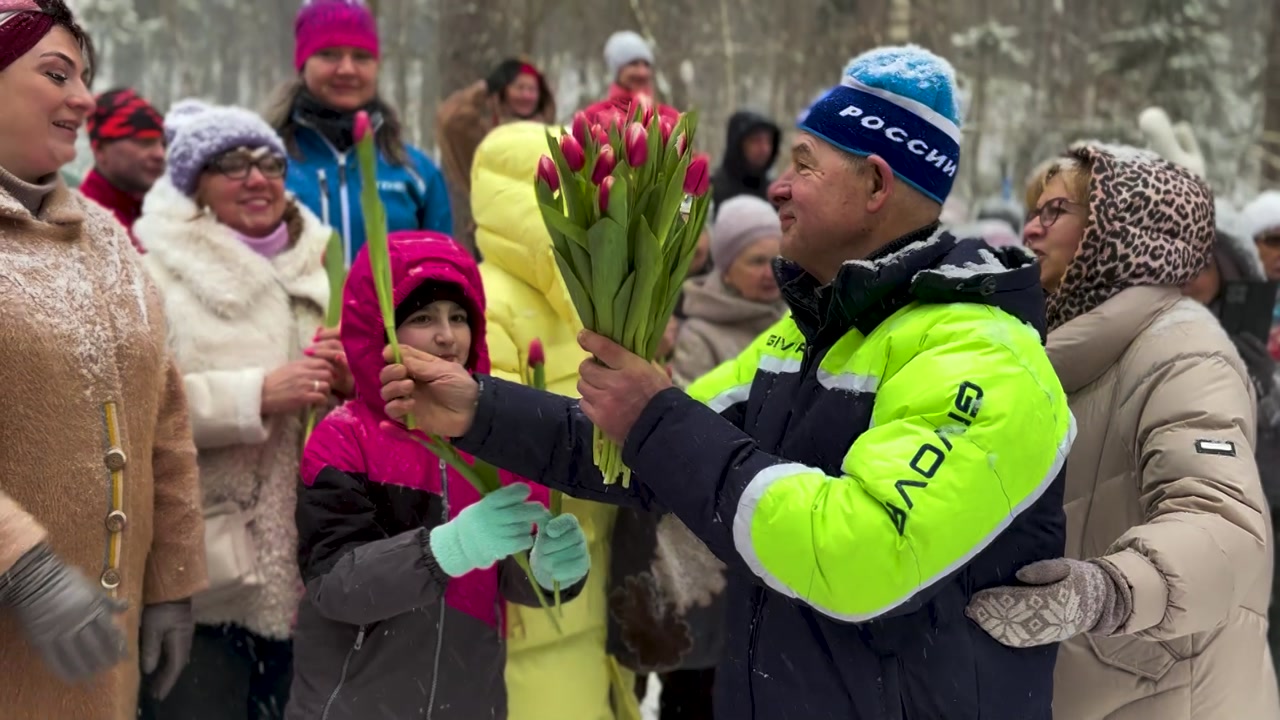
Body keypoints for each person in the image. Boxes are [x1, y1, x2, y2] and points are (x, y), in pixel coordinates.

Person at [381, 45, 1073, 719]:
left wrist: (655, 419)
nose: (777, 185)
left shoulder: (986, 354)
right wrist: (479, 409)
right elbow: (642, 446)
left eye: (804, 165)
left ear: (876, 185)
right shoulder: (804, 337)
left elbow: (857, 555)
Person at [967, 143, 1280, 719]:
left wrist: (1110, 591)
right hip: (1086, 688)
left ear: (1120, 229)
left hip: (1169, 696)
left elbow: (1226, 523)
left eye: (1055, 211)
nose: (1030, 229)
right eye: (1034, 210)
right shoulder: (1053, 347)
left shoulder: (1184, 352)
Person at [0, 2, 207, 718]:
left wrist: (174, 581)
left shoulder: (105, 236)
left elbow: (164, 418)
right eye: (56, 74)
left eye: (86, 77)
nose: (84, 98)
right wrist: (21, 566)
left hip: (102, 664)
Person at [287, 231, 590, 719]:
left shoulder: (497, 440)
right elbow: (335, 585)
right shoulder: (344, 439)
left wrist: (551, 570)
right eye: (423, 318)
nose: (447, 336)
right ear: (379, 330)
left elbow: (511, 575)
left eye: (459, 317)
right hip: (355, 704)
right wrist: (446, 549)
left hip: (469, 701)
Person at [132, 100, 348, 720]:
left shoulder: (328, 271)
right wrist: (254, 395)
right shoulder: (154, 281)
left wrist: (351, 383)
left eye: (269, 162)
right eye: (231, 164)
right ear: (194, 187)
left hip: (318, 568)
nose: (256, 178)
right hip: (208, 576)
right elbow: (135, 410)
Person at [470, 120, 625, 720]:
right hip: (540, 596)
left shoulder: (597, 305)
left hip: (599, 588)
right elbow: (494, 455)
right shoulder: (486, 305)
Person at [267, 0, 451, 267]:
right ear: (303, 63)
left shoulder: (417, 174)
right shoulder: (266, 165)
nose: (347, 69)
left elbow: (442, 278)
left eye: (361, 57)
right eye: (329, 54)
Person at [437, 58, 556, 250]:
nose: (526, 95)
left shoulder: (554, 137)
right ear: (503, 91)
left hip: (544, 238)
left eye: (532, 89)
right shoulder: (484, 136)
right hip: (493, 239)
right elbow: (451, 119)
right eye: (519, 87)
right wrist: (485, 87)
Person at [672, 195, 787, 385]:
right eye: (757, 261)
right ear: (726, 272)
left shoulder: (796, 318)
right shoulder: (699, 337)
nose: (771, 272)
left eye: (777, 260)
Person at [79, 87, 165, 251]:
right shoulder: (84, 227)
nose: (160, 154)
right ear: (100, 150)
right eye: (144, 141)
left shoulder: (161, 212)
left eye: (163, 143)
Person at [582, 30, 678, 130]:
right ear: (617, 71)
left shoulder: (670, 116)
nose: (642, 72)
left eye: (646, 64)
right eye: (633, 64)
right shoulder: (594, 116)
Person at [710, 111, 780, 213]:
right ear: (737, 144)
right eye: (756, 140)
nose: (765, 149)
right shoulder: (711, 191)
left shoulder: (775, 195)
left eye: (769, 141)